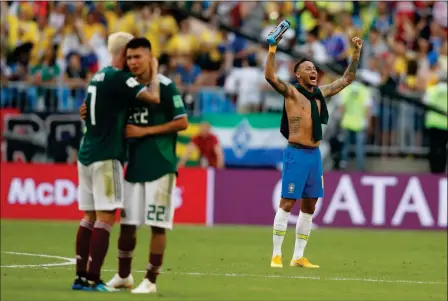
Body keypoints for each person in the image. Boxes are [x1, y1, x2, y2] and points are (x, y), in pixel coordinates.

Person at [265, 32, 362, 268]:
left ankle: (298, 256)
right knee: (287, 203)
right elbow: (270, 76)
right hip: (296, 153)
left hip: (314, 156)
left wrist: (356, 53)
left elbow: (347, 79)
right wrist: (272, 49)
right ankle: (276, 254)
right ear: (298, 75)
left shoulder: (321, 93)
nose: (313, 71)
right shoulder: (291, 92)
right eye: (308, 68)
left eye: (314, 68)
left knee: (310, 206)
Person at [73, 32, 160, 292]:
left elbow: (87, 112)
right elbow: (153, 98)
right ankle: (93, 278)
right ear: (123, 53)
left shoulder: (98, 77)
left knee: (88, 216)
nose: (134, 59)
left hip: (86, 153)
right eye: (131, 54)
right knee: (107, 217)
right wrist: (154, 71)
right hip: (106, 154)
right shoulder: (119, 78)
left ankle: (80, 277)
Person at [105, 37, 188, 294]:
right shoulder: (128, 88)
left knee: (157, 225)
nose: (132, 62)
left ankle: (150, 281)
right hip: (135, 166)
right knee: (128, 224)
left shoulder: (165, 86)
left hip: (161, 165)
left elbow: (182, 121)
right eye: (129, 58)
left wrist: (144, 132)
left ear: (150, 57)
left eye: (137, 57)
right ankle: (123, 276)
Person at [423, 74, 448, 174]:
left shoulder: (431, 90)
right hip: (446, 124)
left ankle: (434, 170)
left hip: (433, 123)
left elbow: (425, 102)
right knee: (443, 149)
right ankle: (442, 169)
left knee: (433, 148)